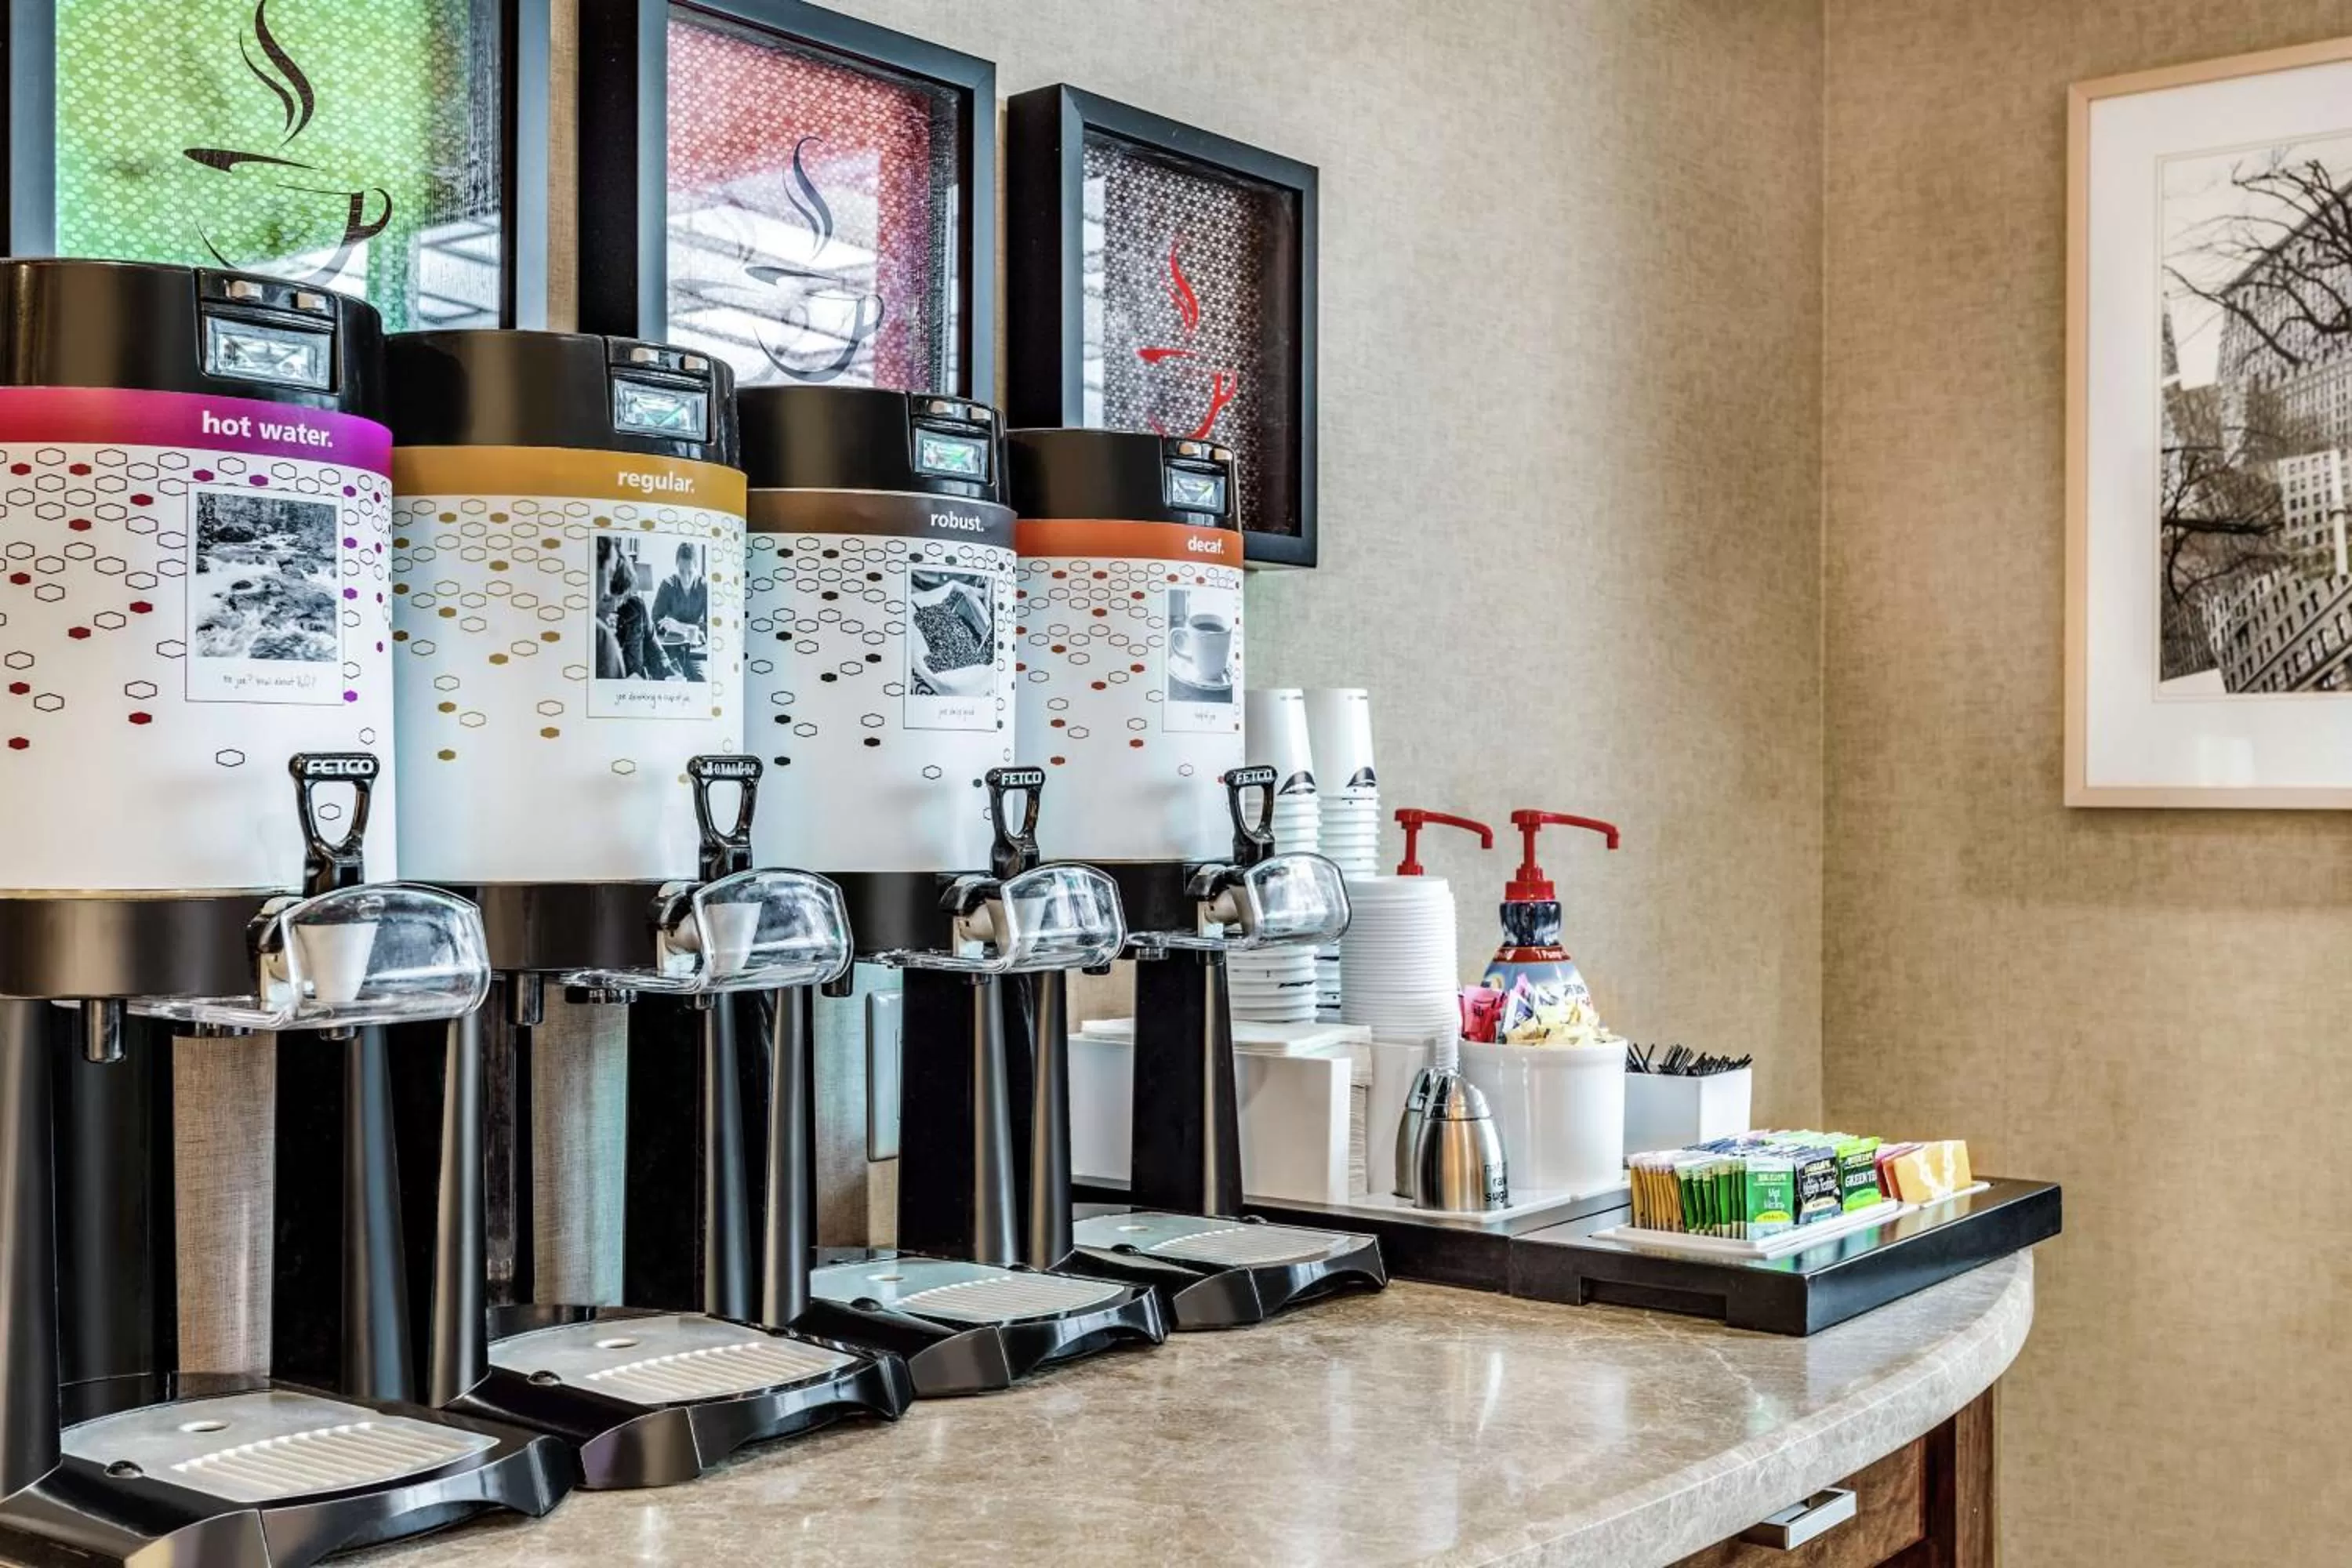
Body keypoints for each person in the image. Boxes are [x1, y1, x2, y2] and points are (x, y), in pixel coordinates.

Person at [599, 548, 671, 681]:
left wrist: (671, 672)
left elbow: (652, 644)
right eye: (607, 599)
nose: (614, 606)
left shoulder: (638, 606)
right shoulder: (595, 622)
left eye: (620, 598)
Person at [652, 543, 708, 681]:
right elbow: (655, 620)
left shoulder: (704, 586)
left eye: (690, 572)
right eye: (682, 572)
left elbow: (713, 626)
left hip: (695, 649)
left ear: (697, 566)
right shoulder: (667, 585)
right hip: (671, 646)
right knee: (670, 680)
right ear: (677, 565)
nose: (686, 579)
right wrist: (691, 629)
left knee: (701, 681)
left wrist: (679, 626)